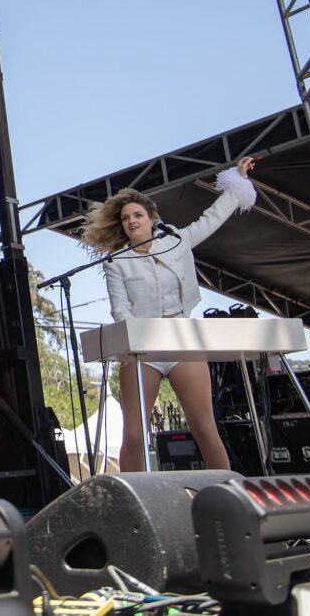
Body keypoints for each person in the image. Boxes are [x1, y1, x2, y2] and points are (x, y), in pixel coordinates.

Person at [79, 156, 257, 472]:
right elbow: (120, 309)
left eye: (137, 215)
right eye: (125, 218)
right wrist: (130, 342)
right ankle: (132, 501)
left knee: (204, 427)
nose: (131, 221)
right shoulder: (116, 261)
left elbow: (211, 218)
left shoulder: (176, 241)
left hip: (181, 340)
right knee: (133, 435)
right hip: (142, 349)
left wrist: (237, 181)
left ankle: (230, 488)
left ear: (152, 218)